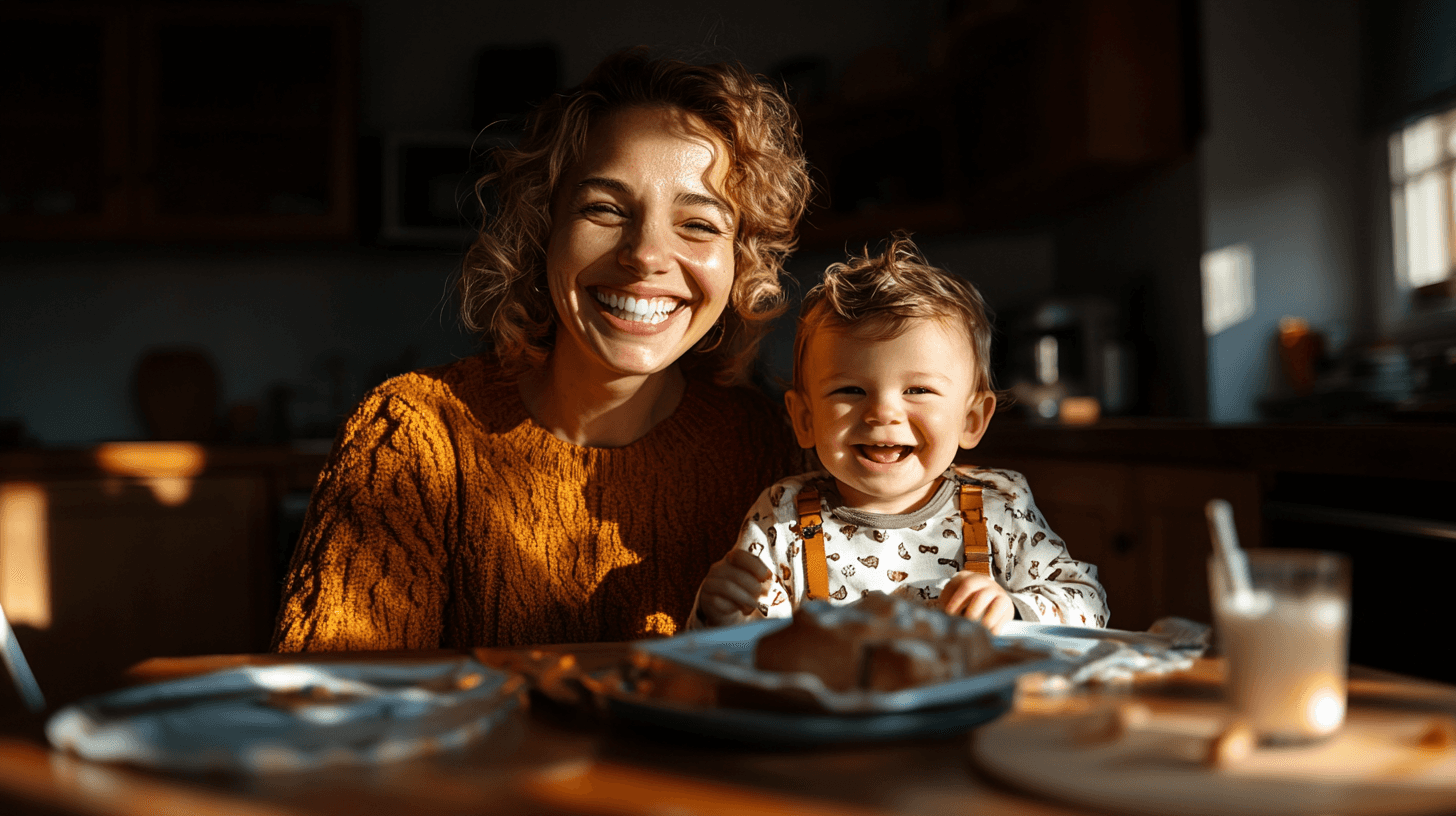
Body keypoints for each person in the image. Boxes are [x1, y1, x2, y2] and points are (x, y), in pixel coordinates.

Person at [272, 48, 812, 651]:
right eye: (605, 209)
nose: (646, 256)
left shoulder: (774, 453)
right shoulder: (415, 438)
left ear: (740, 261)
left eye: (700, 224)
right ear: (543, 228)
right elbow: (334, 710)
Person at [692, 234, 1109, 634]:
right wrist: (719, 615)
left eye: (918, 390)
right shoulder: (781, 519)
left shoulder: (1001, 505)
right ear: (804, 419)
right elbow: (750, 655)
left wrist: (1013, 608)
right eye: (850, 390)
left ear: (972, 420)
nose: (882, 413)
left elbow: (1089, 603)